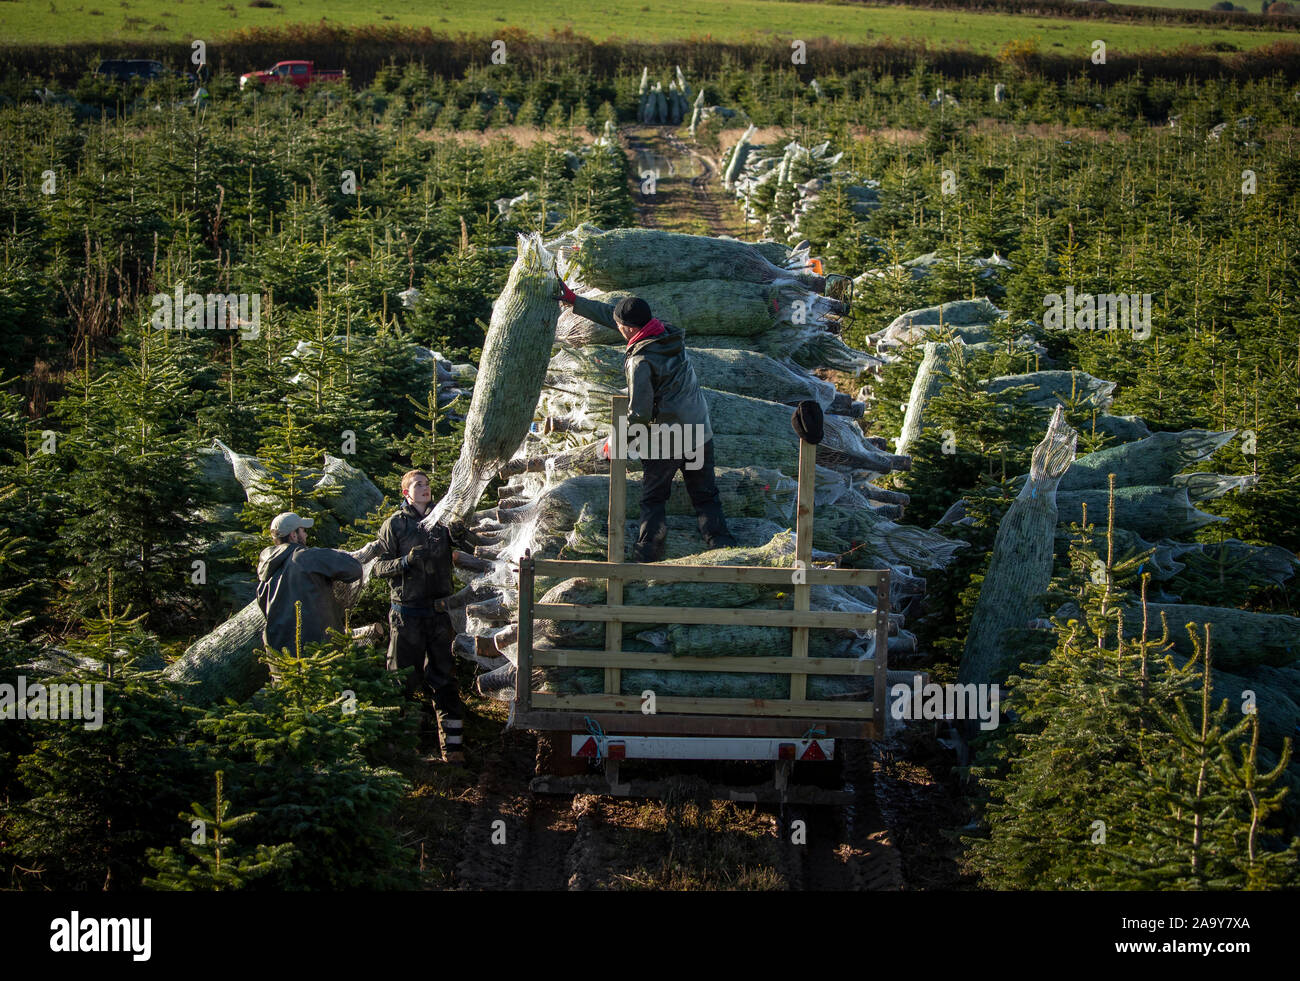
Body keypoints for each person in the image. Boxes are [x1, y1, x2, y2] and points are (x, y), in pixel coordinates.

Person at [557, 280, 737, 561]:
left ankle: (647, 556)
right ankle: (724, 550)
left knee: (653, 500)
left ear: (628, 329)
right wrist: (575, 301)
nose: (617, 327)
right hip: (699, 432)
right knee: (705, 497)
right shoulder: (664, 333)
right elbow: (613, 316)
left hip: (669, 440)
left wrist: (617, 443)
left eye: (620, 326)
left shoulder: (640, 361)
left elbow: (638, 414)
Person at [372, 470, 472, 764]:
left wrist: (461, 535)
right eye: (419, 485)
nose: (425, 488)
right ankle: (398, 749)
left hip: (440, 615)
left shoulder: (441, 522)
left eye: (428, 484)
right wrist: (405, 561)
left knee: (444, 680)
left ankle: (453, 750)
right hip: (407, 617)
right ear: (406, 493)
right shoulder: (395, 525)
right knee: (402, 680)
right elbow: (378, 567)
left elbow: (470, 551)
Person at [256, 511, 364, 657]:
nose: (306, 535)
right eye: (303, 531)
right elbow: (354, 569)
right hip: (317, 654)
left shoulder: (266, 569)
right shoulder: (306, 556)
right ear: (294, 535)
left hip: (280, 657)